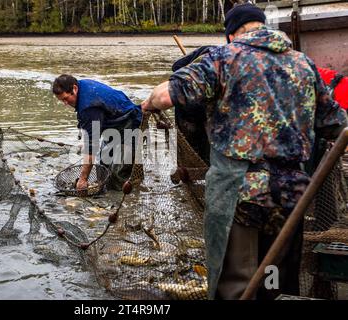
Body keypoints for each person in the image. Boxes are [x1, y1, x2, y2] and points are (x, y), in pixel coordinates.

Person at [142, 3, 347, 299]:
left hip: (239, 194)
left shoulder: (224, 57)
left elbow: (166, 95)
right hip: (291, 196)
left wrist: (149, 103)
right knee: (276, 284)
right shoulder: (304, 64)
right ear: (263, 27)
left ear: (230, 35)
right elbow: (337, 125)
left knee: (234, 286)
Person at [52, 75, 142, 191]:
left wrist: (83, 179)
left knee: (119, 175)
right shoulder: (82, 85)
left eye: (65, 98)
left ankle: (126, 200)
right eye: (61, 100)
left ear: (74, 88)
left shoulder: (88, 106)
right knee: (104, 165)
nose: (65, 103)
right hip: (114, 124)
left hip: (131, 124)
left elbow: (91, 147)